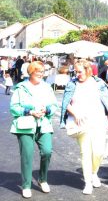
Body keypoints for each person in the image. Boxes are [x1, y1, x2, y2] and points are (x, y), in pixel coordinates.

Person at [60, 59, 108, 195]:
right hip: (81, 123)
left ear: (88, 70)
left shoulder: (98, 83)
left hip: (98, 121)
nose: (77, 74)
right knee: (85, 153)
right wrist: (75, 113)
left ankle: (93, 172)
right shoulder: (72, 84)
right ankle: (87, 183)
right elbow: (65, 103)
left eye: (80, 71)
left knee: (98, 152)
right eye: (76, 71)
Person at [10, 61, 59, 198]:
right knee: (27, 155)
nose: (40, 74)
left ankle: (42, 179)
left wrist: (47, 109)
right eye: (37, 71)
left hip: (43, 124)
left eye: (42, 72)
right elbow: (14, 108)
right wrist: (30, 112)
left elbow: (54, 105)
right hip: (26, 126)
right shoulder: (21, 88)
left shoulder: (47, 87)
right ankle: (26, 185)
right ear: (30, 72)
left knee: (47, 151)